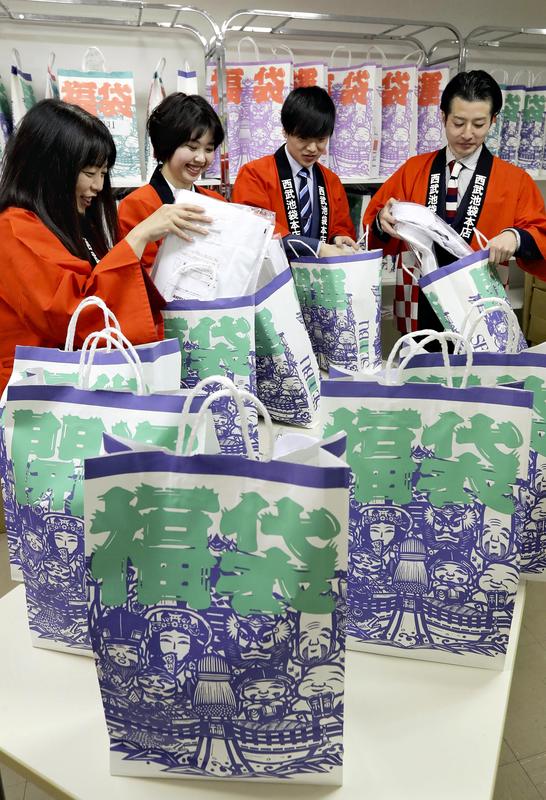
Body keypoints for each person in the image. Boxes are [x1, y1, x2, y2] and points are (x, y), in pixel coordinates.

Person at [0, 98, 209, 394]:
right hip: (32, 392)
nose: (98, 186)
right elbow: (76, 313)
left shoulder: (65, 223)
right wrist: (138, 238)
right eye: (89, 173)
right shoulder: (15, 229)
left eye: (103, 173)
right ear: (51, 169)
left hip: (60, 385)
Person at [363, 70, 546, 335]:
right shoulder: (413, 170)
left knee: (481, 358)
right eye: (458, 123)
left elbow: (539, 232)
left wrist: (516, 238)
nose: (467, 134)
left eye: (479, 124)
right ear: (443, 117)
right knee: (418, 360)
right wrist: (383, 221)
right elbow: (371, 230)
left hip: (482, 303)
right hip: (419, 301)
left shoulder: (515, 180)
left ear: (493, 120)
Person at [231, 86, 357, 258]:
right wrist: (317, 248)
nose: (312, 148)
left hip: (322, 273)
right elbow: (257, 228)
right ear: (285, 131)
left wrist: (339, 237)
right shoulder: (254, 174)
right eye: (303, 138)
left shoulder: (331, 180)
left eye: (321, 139)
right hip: (275, 273)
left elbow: (341, 225)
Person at [118, 92, 226, 271]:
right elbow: (138, 274)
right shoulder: (136, 206)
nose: (201, 158)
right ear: (167, 144)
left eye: (209, 149)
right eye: (192, 147)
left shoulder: (217, 202)